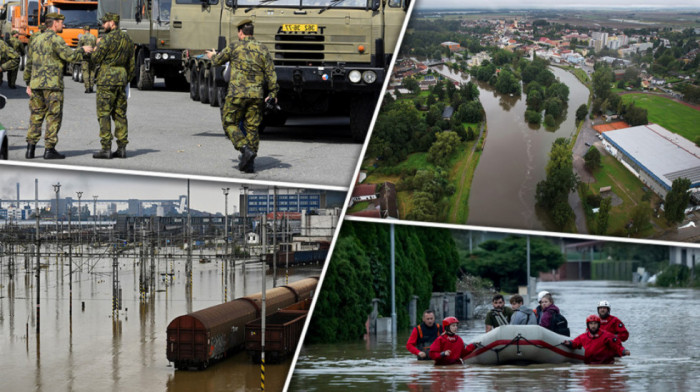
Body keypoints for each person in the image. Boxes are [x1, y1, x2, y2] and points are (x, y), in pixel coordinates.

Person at [206, 18, 278, 173]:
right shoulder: (263, 49)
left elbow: (217, 61)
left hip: (236, 94)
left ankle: (244, 149)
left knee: (229, 122)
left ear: (240, 32)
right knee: (252, 127)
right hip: (256, 95)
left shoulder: (234, 47)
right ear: (252, 32)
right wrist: (273, 93)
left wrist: (212, 55)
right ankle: (249, 163)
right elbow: (271, 74)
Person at [24, 13, 93, 159]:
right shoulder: (56, 39)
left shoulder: (35, 39)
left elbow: (29, 63)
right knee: (53, 117)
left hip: (36, 85)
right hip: (52, 85)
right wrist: (83, 50)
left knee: (36, 116)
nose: (64, 25)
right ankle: (49, 149)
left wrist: (28, 83)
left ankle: (30, 149)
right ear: (55, 23)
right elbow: (70, 56)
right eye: (62, 22)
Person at [90, 13, 135, 159]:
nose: (103, 25)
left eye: (105, 22)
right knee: (120, 114)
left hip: (106, 80)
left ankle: (106, 148)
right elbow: (131, 63)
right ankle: (122, 148)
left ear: (112, 23)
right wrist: (126, 78)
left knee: (104, 114)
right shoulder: (127, 39)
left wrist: (95, 50)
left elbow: (96, 59)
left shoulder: (106, 39)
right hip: (121, 79)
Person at [562, 315, 630, 364]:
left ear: (599, 325)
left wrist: (624, 351)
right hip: (589, 364)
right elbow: (575, 343)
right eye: (591, 324)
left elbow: (617, 346)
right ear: (588, 325)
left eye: (595, 324)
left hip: (605, 365)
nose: (593, 326)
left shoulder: (607, 336)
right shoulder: (583, 337)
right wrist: (569, 343)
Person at [77, 26, 97, 93]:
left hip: (84, 58)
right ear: (89, 30)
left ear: (84, 30)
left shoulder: (82, 37)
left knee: (85, 72)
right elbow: (96, 47)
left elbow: (79, 48)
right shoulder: (94, 37)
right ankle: (91, 86)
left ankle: (87, 88)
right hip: (92, 57)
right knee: (92, 72)